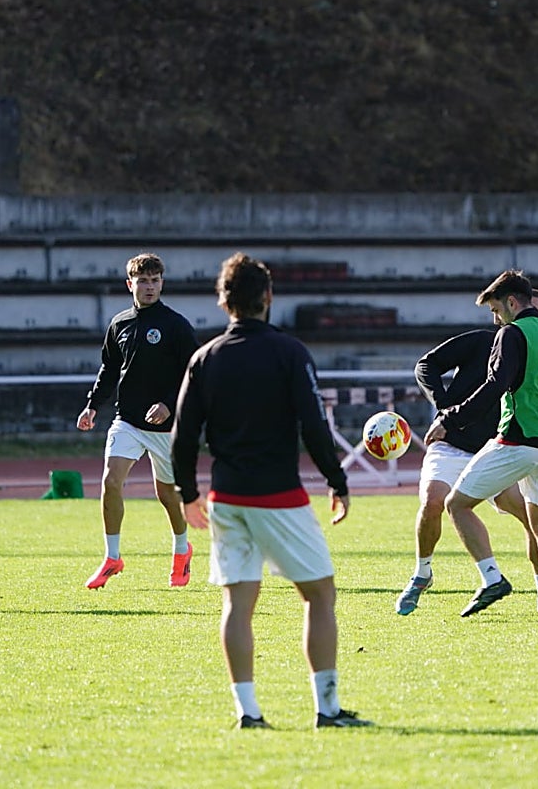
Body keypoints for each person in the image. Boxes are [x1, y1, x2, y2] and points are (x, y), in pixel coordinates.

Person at [171, 252, 371, 730]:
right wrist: (337, 480)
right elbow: (313, 427)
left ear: (224, 302)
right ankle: (327, 709)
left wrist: (188, 493)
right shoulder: (289, 352)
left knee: (238, 605)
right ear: (267, 297)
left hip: (226, 497)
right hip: (278, 495)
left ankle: (249, 712)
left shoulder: (205, 358)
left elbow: (182, 435)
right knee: (320, 596)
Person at [424, 270, 538, 619]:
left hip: (519, 438)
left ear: (512, 302)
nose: (496, 319)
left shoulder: (511, 334)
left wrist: (449, 420)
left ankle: (492, 578)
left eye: (496, 310)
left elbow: (495, 386)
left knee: (456, 504)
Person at [78, 252, 197, 589]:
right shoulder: (119, 324)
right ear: (130, 284)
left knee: (167, 494)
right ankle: (112, 557)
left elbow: (194, 374)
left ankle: (181, 549)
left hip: (166, 427)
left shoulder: (176, 325)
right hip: (127, 420)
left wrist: (169, 405)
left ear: (162, 283)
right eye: (143, 281)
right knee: (110, 481)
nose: (149, 286)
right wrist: (92, 407)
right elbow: (109, 369)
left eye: (155, 280)